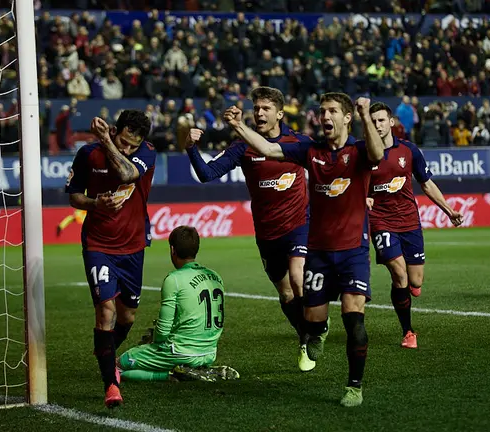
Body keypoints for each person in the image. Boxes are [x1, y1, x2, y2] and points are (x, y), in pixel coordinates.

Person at [223, 93, 383, 407]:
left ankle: (354, 386)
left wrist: (367, 116)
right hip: (319, 252)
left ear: (346, 117)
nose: (326, 116)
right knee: (312, 320)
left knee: (355, 320)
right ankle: (317, 330)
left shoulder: (361, 150)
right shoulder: (309, 150)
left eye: (333, 111)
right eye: (323, 111)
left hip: (353, 250)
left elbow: (377, 154)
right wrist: (238, 126)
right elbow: (268, 148)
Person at [184, 87, 316, 371]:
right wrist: (191, 148)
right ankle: (305, 335)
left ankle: (313, 331)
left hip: (299, 225)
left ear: (280, 114)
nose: (259, 113)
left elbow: (326, 168)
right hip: (267, 233)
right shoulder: (242, 146)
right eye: (256, 108)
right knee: (285, 294)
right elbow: (207, 175)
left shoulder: (298, 142)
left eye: (266, 108)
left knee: (298, 277)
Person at [64, 110, 155, 407]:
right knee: (105, 312)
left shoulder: (147, 153)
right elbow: (74, 195)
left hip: (133, 246)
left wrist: (107, 140)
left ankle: (105, 351)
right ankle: (111, 386)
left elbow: (128, 174)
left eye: (133, 145)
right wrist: (95, 204)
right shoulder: (88, 155)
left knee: (127, 316)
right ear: (116, 130)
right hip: (98, 244)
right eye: (123, 142)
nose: (128, 149)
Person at [365, 102, 463, 349]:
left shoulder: (409, 151)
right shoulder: (365, 155)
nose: (377, 125)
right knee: (399, 274)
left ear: (391, 122)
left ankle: (411, 286)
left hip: (409, 222)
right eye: (372, 121)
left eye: (381, 120)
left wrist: (449, 210)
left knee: (415, 281)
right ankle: (408, 332)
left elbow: (427, 183)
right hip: (381, 222)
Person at [116, 226, 238, 383]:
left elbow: (163, 330)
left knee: (118, 366)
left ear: (172, 250)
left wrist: (154, 340)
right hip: (209, 353)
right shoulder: (215, 277)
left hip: (179, 351)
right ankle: (191, 369)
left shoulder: (173, 279)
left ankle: (171, 375)